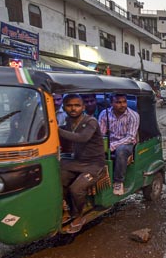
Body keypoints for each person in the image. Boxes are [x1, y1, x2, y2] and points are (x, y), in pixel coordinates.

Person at [57, 94, 106, 232]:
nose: (73, 108)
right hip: (77, 161)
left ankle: (79, 215)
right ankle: (67, 209)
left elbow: (82, 138)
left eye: (77, 105)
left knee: (76, 188)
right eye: (69, 105)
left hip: (94, 163)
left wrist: (56, 130)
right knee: (59, 179)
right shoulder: (67, 121)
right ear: (64, 107)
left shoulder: (91, 121)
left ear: (83, 107)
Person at [99, 93, 140, 196]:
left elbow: (130, 137)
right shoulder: (105, 114)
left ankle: (118, 181)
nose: (122, 105)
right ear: (111, 103)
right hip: (109, 142)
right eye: (118, 102)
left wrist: (112, 145)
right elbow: (100, 133)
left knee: (120, 151)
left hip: (127, 144)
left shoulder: (133, 115)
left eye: (124, 102)